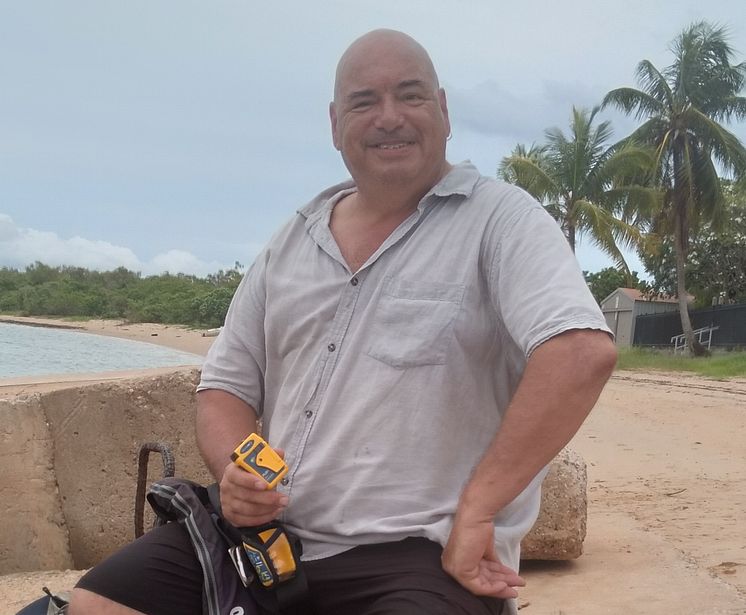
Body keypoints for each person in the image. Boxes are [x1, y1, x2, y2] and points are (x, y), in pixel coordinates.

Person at [68, 29, 616, 615]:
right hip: (267, 541)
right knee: (99, 601)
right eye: (364, 102)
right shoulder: (293, 239)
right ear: (335, 123)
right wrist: (234, 473)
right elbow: (225, 385)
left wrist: (479, 511)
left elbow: (579, 352)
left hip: (418, 553)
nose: (389, 117)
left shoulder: (502, 221)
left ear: (445, 110)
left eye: (411, 96)